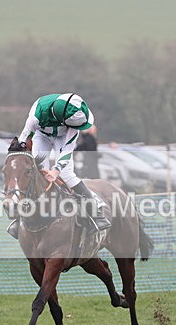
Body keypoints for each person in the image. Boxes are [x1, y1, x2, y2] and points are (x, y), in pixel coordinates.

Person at [13, 92, 111, 235]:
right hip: (42, 136)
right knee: (37, 172)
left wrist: (56, 171)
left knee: (66, 174)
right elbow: (23, 139)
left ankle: (96, 214)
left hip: (62, 137)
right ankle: (19, 217)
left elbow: (67, 150)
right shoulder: (36, 115)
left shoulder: (73, 123)